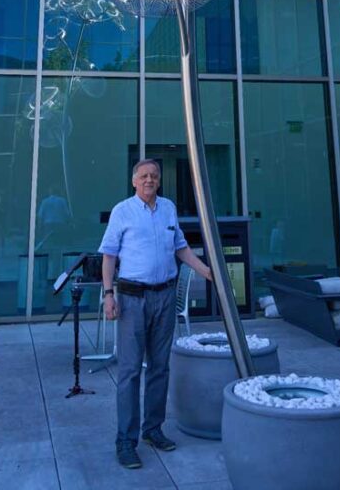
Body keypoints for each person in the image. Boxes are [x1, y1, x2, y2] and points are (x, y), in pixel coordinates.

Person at [99, 158, 211, 469]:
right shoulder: (122, 211)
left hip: (164, 297)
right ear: (134, 181)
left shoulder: (168, 209)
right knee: (130, 371)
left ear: (159, 181)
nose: (150, 180)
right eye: (144, 176)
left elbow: (181, 248)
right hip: (133, 299)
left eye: (154, 176)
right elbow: (109, 256)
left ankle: (153, 429)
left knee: (160, 368)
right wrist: (109, 295)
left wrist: (206, 270)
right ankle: (125, 440)